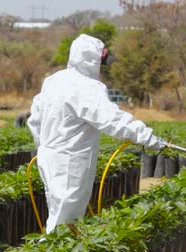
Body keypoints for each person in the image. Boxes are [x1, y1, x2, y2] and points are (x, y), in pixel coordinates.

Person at [27, 34, 166, 234]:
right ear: (93, 60)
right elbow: (113, 121)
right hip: (70, 162)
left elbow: (35, 119)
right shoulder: (88, 88)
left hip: (48, 158)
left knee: (58, 213)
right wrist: (146, 137)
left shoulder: (54, 80)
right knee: (65, 223)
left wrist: (45, 146)